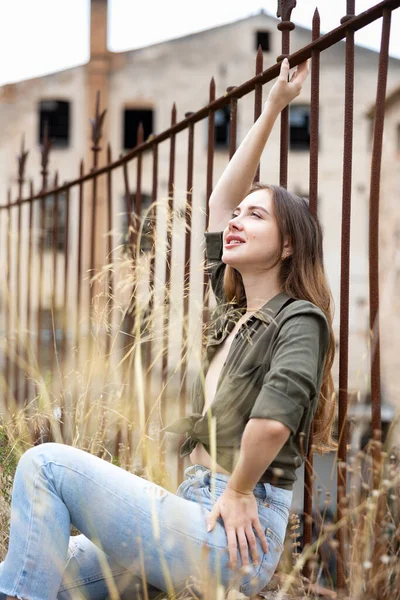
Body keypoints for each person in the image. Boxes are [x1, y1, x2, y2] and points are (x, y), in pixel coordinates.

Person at [0, 57, 336, 600]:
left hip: (233, 532)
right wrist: (273, 106)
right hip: (194, 506)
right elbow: (218, 201)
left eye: (256, 217)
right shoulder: (233, 316)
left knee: (45, 464)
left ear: (290, 243)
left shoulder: (300, 318)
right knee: (45, 572)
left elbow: (273, 424)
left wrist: (240, 489)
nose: (234, 221)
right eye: (239, 216)